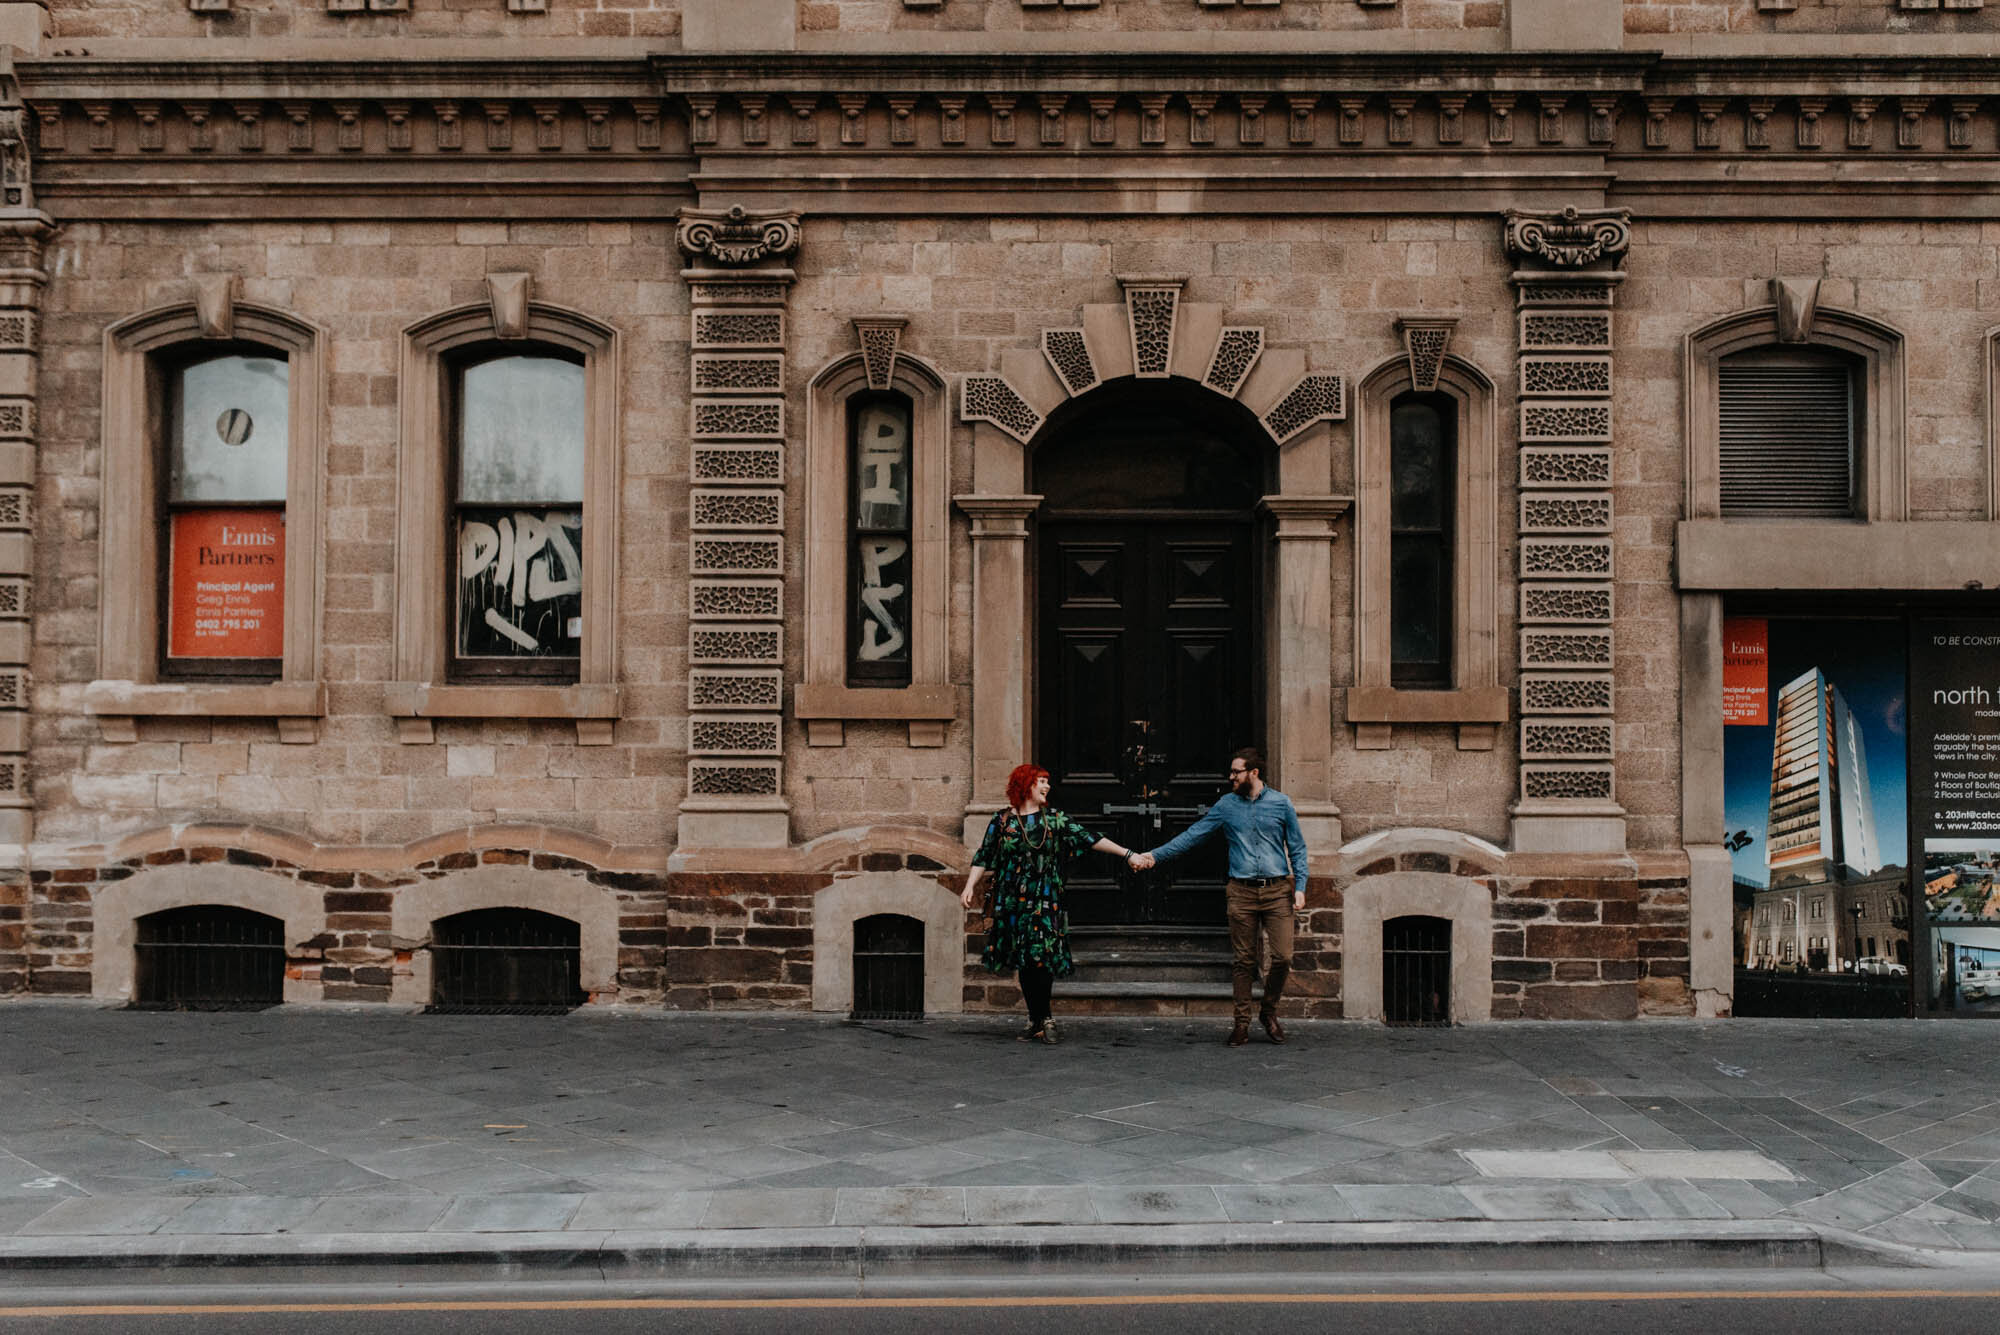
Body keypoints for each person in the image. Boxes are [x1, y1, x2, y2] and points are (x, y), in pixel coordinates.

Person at [1130, 746, 1307, 1047]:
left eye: (1236, 772)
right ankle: (1241, 1023)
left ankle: (1269, 1011)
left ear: (1254, 772)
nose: (1231, 777)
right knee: (1244, 961)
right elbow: (1193, 835)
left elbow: (1298, 848)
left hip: (1277, 890)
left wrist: (1300, 886)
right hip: (1240, 891)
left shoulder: (1281, 803)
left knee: (1283, 957)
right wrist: (1153, 856)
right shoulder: (1226, 806)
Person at [961, 763, 1140, 1045]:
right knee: (1025, 960)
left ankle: (1044, 1018)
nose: (1047, 787)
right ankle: (1036, 1019)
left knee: (1040, 958)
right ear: (1025, 785)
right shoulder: (1002, 820)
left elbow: (1089, 838)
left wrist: (1127, 854)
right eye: (1041, 781)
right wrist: (969, 885)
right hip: (1012, 902)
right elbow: (984, 855)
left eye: (1047, 781)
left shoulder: (1054, 820)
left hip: (1044, 901)